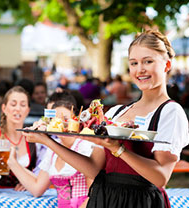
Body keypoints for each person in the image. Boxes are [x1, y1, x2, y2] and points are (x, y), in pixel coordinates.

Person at [22, 30, 189, 208]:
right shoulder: (115, 112)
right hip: (104, 199)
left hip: (139, 202)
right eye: (134, 63)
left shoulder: (170, 112)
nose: (140, 69)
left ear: (167, 65)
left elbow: (160, 178)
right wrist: (47, 141)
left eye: (148, 61)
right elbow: (94, 169)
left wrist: (118, 149)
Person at [8, 99, 96, 208]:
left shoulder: (85, 146)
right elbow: (37, 188)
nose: (61, 123)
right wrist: (12, 162)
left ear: (75, 121)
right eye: (56, 120)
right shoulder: (53, 150)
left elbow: (93, 195)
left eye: (66, 119)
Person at [0, 86, 37, 189]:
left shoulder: (34, 140)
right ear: (4, 108)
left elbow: (41, 175)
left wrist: (28, 183)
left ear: (28, 110)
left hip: (24, 199)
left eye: (23, 105)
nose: (18, 109)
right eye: (13, 104)